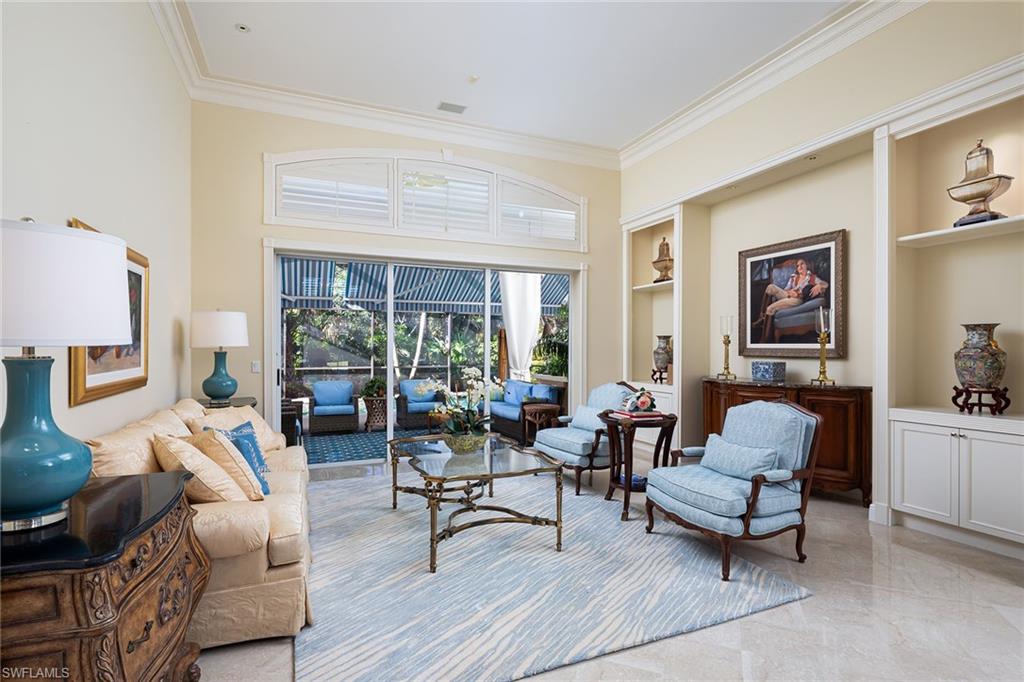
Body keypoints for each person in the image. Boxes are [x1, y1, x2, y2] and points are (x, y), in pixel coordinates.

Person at [753, 259, 828, 341]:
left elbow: (825, 284)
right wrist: (790, 292)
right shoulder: (794, 277)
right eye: (798, 266)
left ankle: (765, 338)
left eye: (802, 264)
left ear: (807, 265)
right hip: (788, 295)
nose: (800, 267)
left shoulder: (812, 277)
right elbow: (785, 289)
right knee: (770, 287)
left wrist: (819, 285)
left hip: (797, 300)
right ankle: (761, 317)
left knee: (770, 308)